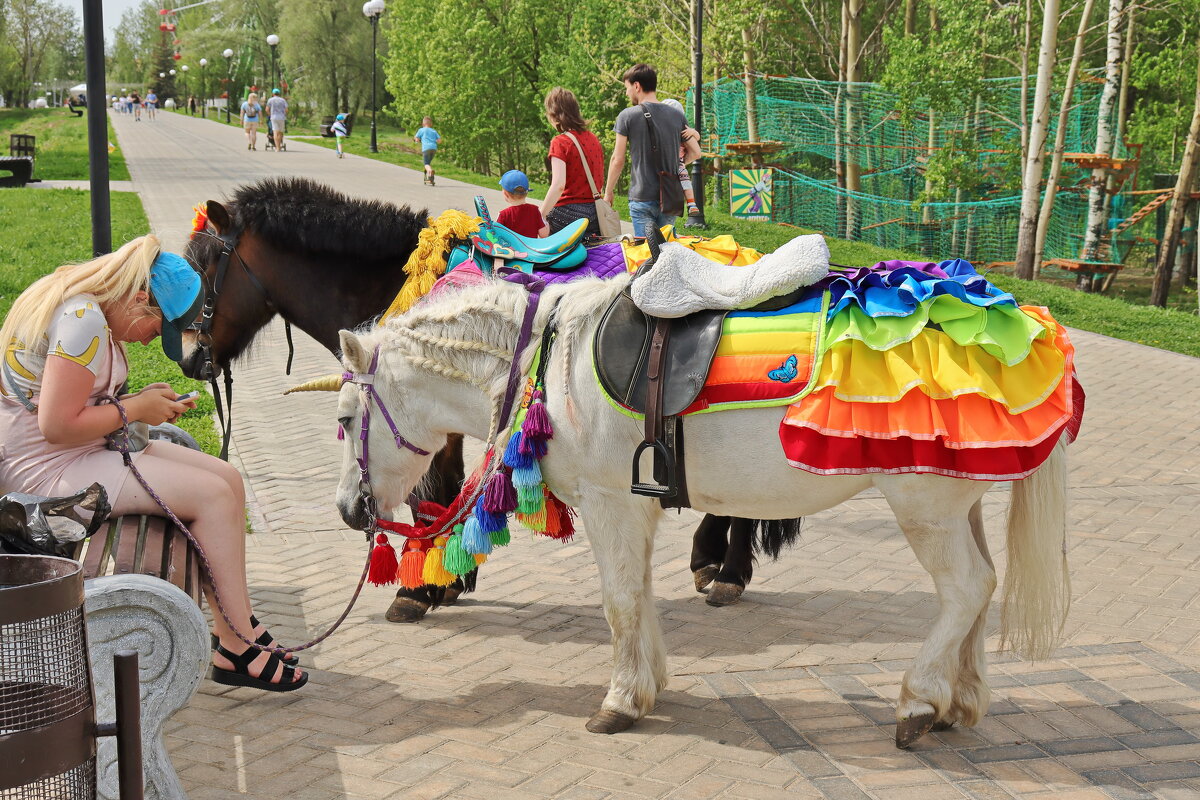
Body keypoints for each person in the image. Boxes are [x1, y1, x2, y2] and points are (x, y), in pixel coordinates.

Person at [0, 235, 306, 692]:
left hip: (73, 454)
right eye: (157, 328)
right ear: (140, 298)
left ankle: (235, 627)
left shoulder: (89, 310)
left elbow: (73, 406)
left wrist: (142, 404)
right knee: (213, 497)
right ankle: (238, 647)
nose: (149, 342)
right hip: (45, 472)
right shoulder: (83, 319)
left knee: (226, 477)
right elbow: (57, 426)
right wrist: (136, 409)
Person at [602, 63, 701, 237]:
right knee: (666, 252)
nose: (627, 93)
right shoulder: (676, 115)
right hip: (670, 196)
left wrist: (608, 191)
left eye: (627, 88)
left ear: (637, 86)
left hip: (642, 197)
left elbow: (617, 159)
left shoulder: (627, 115)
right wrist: (675, 164)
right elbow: (695, 152)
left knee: (646, 253)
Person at [539, 87, 606, 238]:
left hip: (567, 215)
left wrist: (541, 215)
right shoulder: (593, 139)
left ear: (554, 114)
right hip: (595, 213)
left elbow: (558, 186)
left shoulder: (560, 142)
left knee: (537, 225)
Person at [660, 98, 702, 217]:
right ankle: (691, 203)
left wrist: (693, 132)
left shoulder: (683, 128)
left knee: (685, 180)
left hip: (678, 160)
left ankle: (691, 203)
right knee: (683, 179)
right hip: (669, 161)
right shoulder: (662, 128)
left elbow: (697, 137)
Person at [497, 170, 549, 238]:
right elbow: (543, 235)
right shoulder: (535, 210)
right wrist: (546, 223)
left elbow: (496, 237)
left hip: (511, 248)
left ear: (505, 194)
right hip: (530, 248)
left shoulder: (503, 215)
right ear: (527, 192)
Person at [413, 116, 441, 185]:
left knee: (426, 164)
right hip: (433, 149)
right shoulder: (434, 131)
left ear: (423, 124)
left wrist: (417, 140)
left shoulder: (421, 130)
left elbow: (416, 138)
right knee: (428, 163)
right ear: (431, 124)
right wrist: (435, 141)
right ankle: (429, 176)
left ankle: (430, 171)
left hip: (426, 148)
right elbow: (439, 141)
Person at [266, 88, 288, 153]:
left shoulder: (270, 100)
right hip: (281, 117)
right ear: (279, 93)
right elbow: (286, 110)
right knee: (280, 132)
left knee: (275, 132)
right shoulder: (283, 100)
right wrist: (284, 114)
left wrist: (270, 115)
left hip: (274, 117)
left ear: (273, 94)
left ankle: (277, 147)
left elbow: (267, 109)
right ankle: (279, 146)